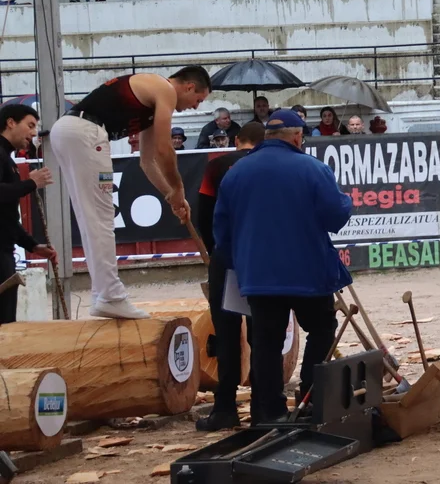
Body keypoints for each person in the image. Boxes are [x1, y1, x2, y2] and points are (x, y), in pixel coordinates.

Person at [214, 110, 352, 424]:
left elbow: (221, 231)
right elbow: (335, 217)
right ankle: (311, 397)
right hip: (308, 271)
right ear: (298, 136)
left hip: (259, 275)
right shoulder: (313, 168)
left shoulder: (236, 172)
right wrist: (346, 201)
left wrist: (241, 265)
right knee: (321, 329)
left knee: (266, 342)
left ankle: (269, 412)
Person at [50, 68, 212, 319]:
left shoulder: (150, 102)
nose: (195, 107)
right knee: (102, 218)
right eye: (198, 100)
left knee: (90, 218)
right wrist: (179, 189)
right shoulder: (165, 90)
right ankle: (111, 296)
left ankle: (101, 294)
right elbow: (164, 149)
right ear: (189, 87)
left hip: (69, 130)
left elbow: (146, 161)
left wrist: (171, 196)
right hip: (86, 132)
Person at [194, 121, 265, 431]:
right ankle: (263, 406)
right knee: (262, 332)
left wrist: (215, 252)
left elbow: (204, 214)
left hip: (228, 257)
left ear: (238, 140)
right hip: (262, 258)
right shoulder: (269, 166)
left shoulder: (218, 165)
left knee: (226, 333)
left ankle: (225, 407)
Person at [0, 104, 57, 325]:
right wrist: (31, 183)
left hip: (5, 252)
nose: (33, 133)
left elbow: (7, 217)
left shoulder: (7, 159)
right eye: (30, 125)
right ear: (10, 123)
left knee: (6, 320)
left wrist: (32, 246)